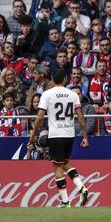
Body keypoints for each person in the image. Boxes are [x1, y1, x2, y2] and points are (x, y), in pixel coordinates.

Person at [28, 68, 89, 208]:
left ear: (52, 80)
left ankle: (65, 201)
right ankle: (81, 187)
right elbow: (80, 116)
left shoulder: (47, 94)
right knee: (65, 162)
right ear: (65, 80)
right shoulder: (72, 94)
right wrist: (85, 136)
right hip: (69, 134)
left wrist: (33, 135)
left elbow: (39, 117)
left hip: (56, 134)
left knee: (57, 165)